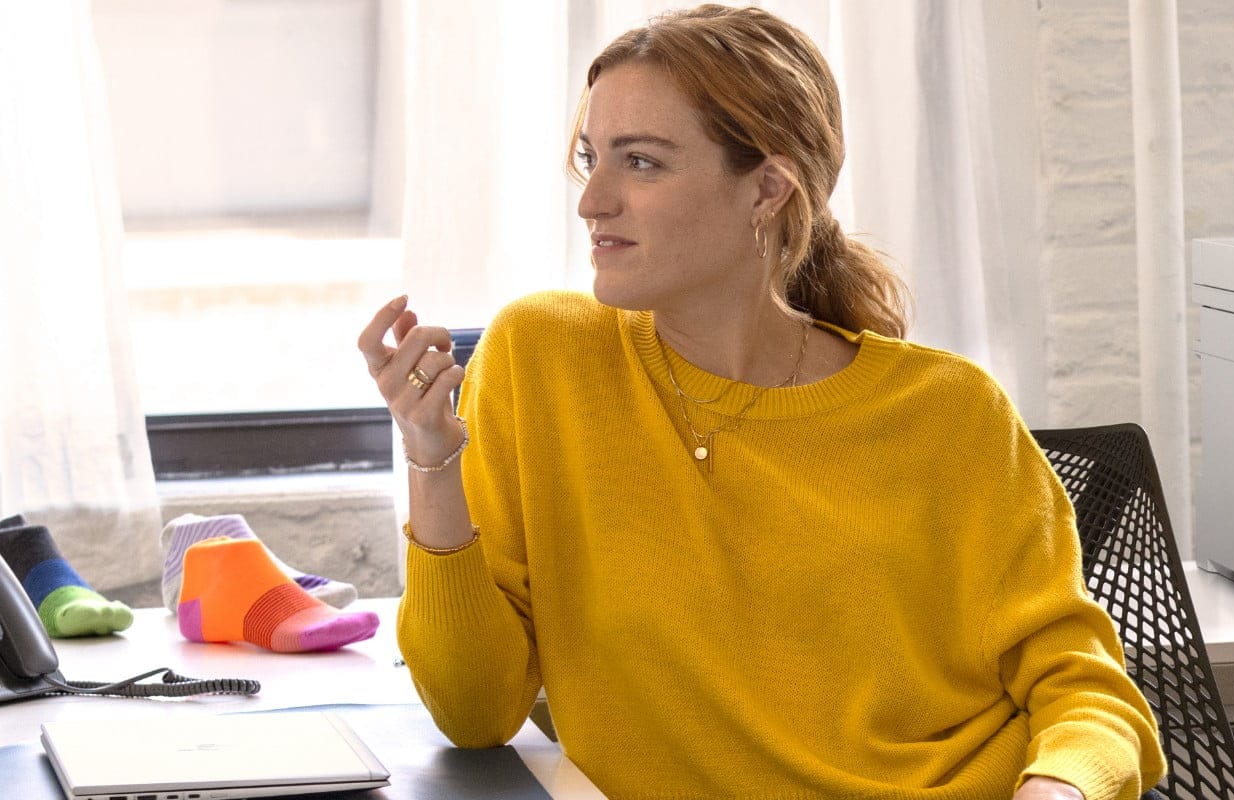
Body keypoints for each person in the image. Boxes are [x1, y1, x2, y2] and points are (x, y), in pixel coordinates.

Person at [355, 6, 1163, 798]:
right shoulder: (546, 357)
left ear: (767, 190)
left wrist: (1058, 789)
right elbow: (474, 714)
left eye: (640, 162)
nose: (592, 200)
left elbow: (1085, 690)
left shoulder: (952, 413)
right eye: (592, 157)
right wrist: (433, 461)